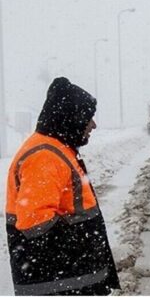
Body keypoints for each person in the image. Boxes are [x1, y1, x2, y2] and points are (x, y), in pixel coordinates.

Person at [5, 77, 120, 295]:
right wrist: (83, 246)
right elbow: (35, 222)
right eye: (88, 117)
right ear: (72, 117)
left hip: (68, 281)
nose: (93, 125)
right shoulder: (44, 156)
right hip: (59, 284)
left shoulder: (57, 148)